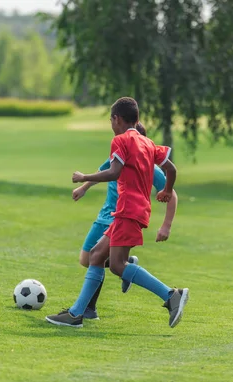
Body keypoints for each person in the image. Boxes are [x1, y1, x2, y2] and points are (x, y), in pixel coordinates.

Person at [46, 97, 189, 328]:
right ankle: (77, 314)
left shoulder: (121, 141)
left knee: (117, 265)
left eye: (112, 121)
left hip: (128, 211)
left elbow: (113, 172)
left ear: (117, 119)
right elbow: (171, 168)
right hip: (133, 211)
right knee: (95, 255)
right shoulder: (148, 143)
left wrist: (84, 177)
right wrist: (167, 189)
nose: (112, 126)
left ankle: (171, 295)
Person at [72, 122, 179, 320]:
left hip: (122, 215)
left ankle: (84, 311)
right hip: (110, 216)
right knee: (91, 259)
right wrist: (85, 187)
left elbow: (172, 192)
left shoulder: (147, 164)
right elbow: (106, 172)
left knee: (98, 260)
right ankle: (83, 310)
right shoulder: (118, 156)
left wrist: (166, 225)